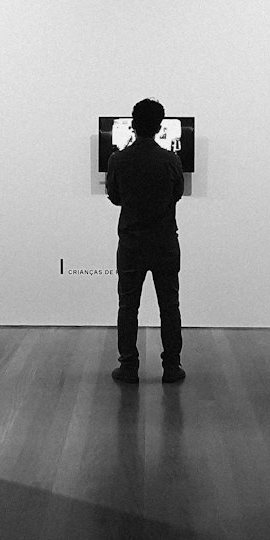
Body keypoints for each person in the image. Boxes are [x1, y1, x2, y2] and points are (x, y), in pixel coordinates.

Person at [105, 98, 185, 384]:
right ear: (159, 125)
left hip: (131, 243)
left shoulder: (118, 160)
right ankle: (172, 366)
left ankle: (128, 366)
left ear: (133, 124)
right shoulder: (172, 160)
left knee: (128, 306)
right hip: (164, 242)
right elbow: (177, 193)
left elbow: (115, 197)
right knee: (169, 305)